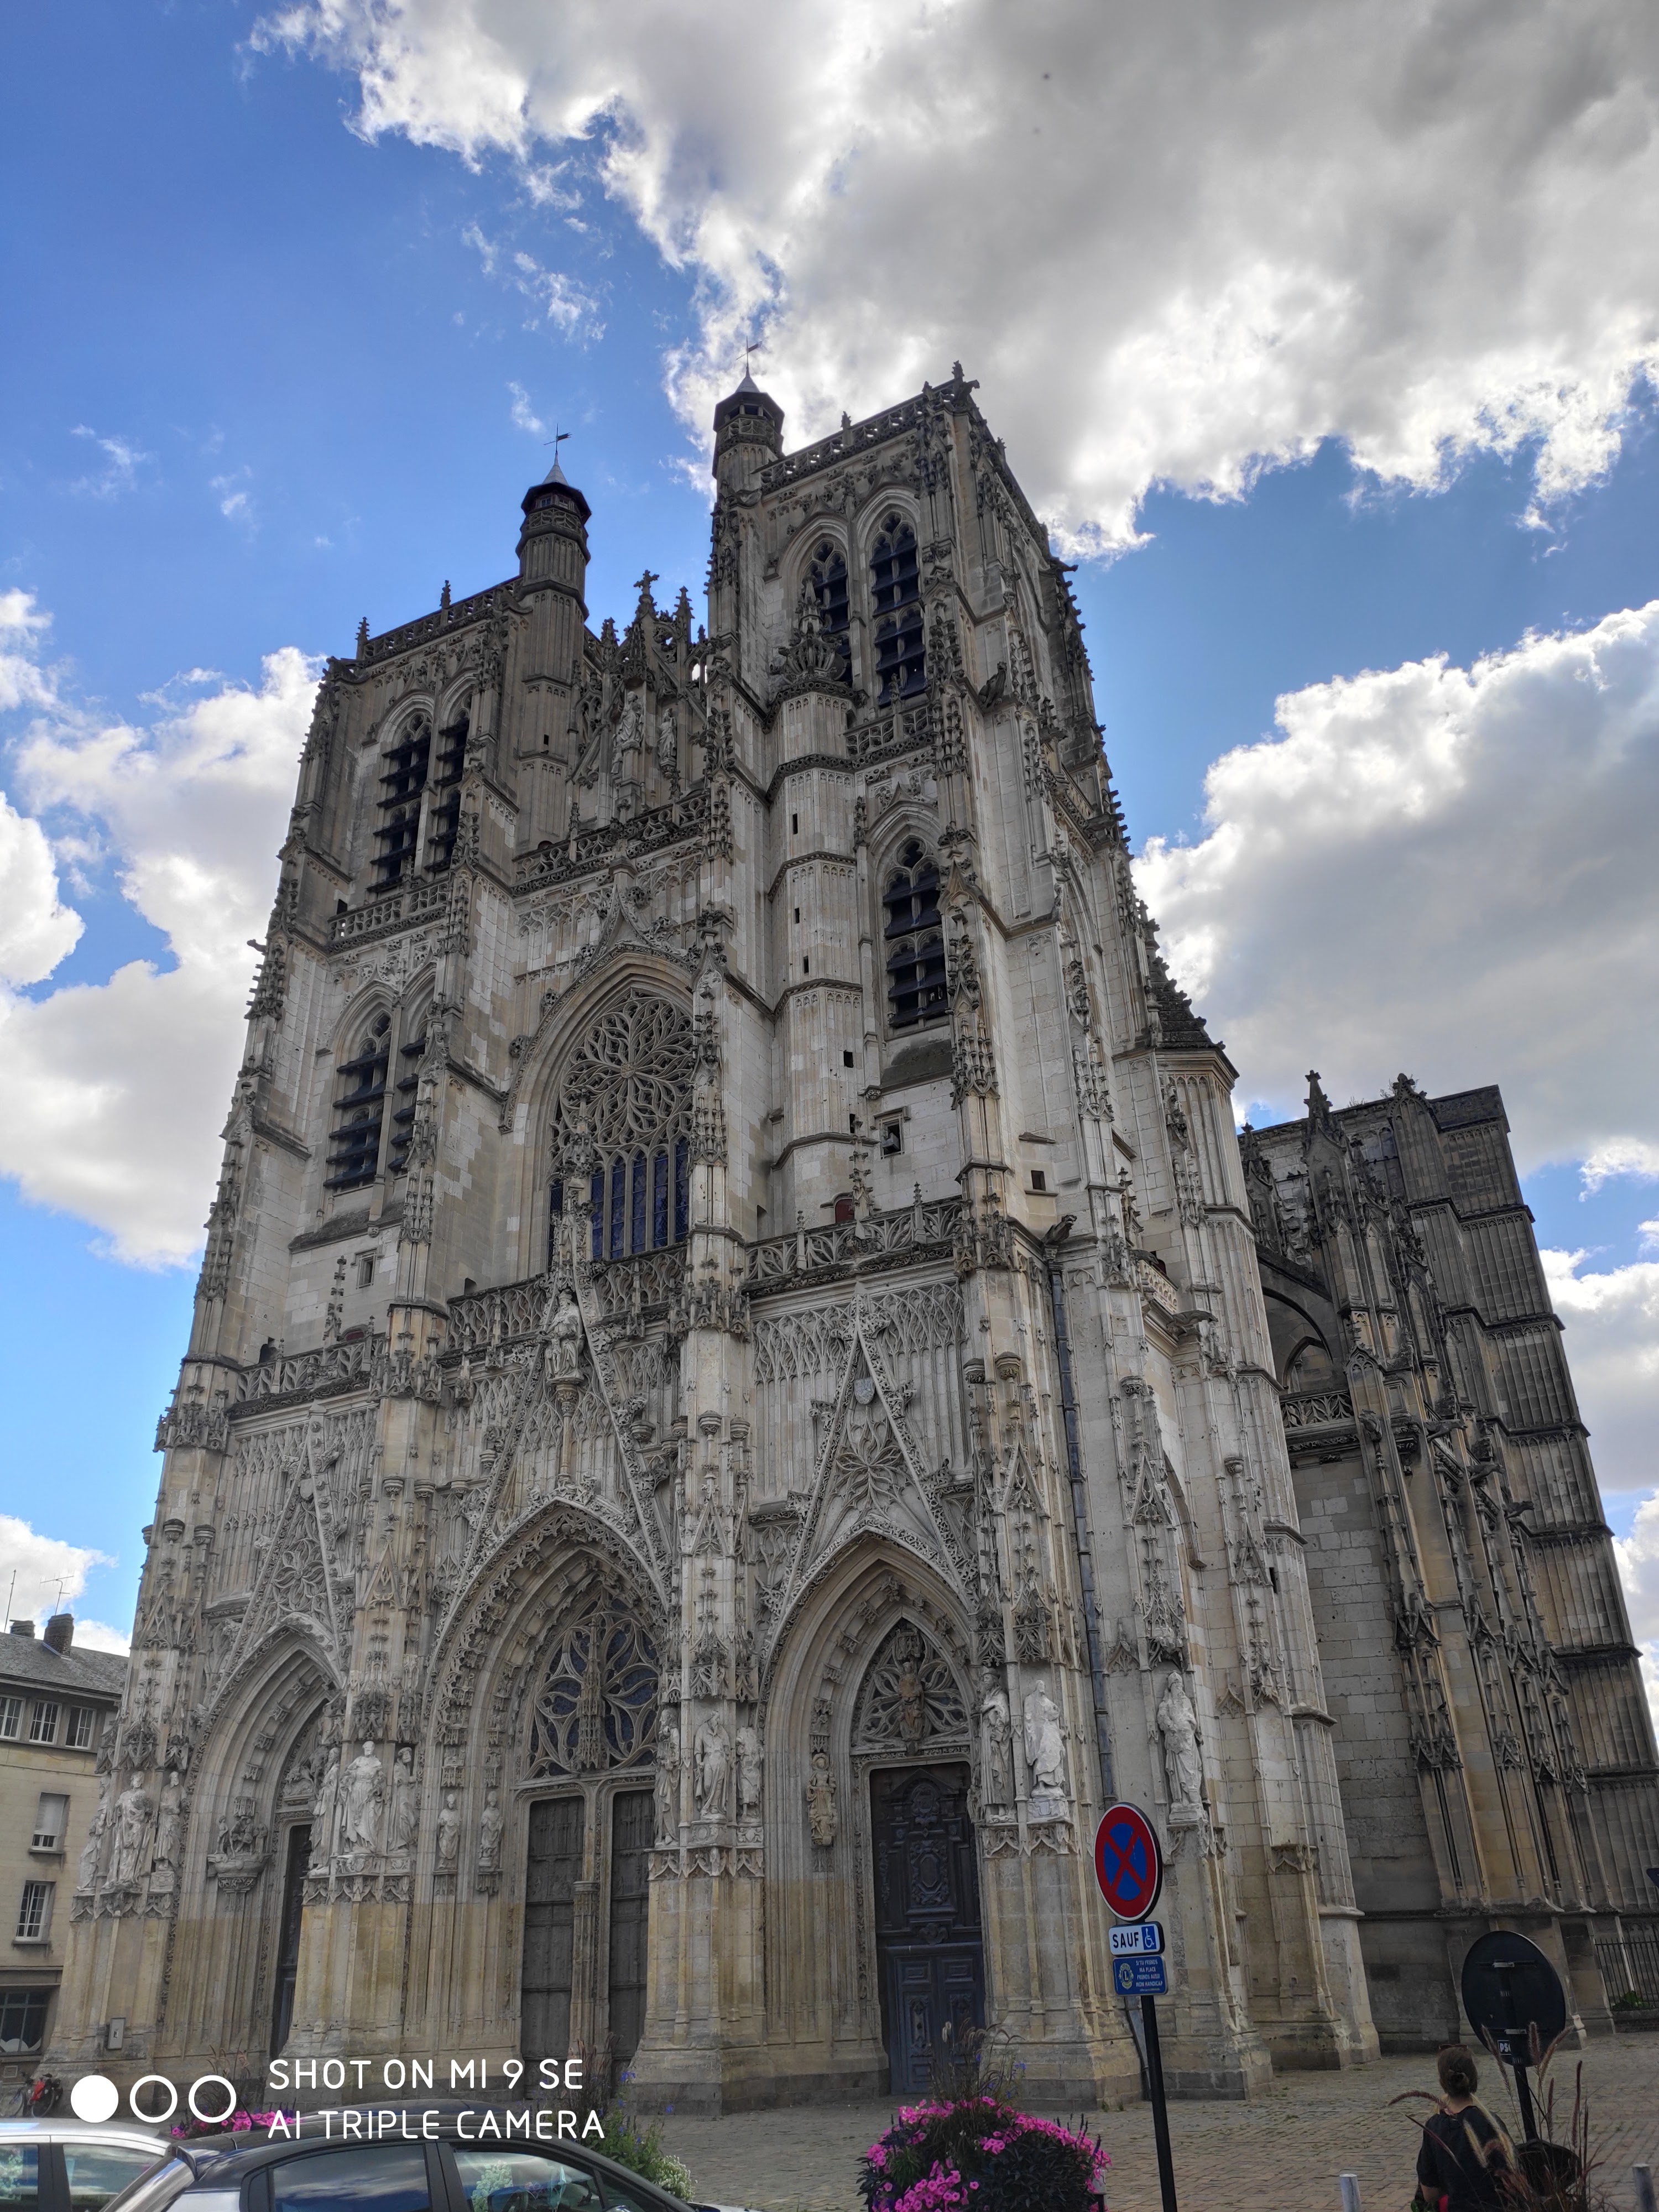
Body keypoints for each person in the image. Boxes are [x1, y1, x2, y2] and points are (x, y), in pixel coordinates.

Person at [1415, 2046, 1515, 2210]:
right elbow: (1514, 2180)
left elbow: (1429, 2194)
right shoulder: (1490, 2122)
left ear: (1443, 2082)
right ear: (1474, 2078)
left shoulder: (1434, 2127)